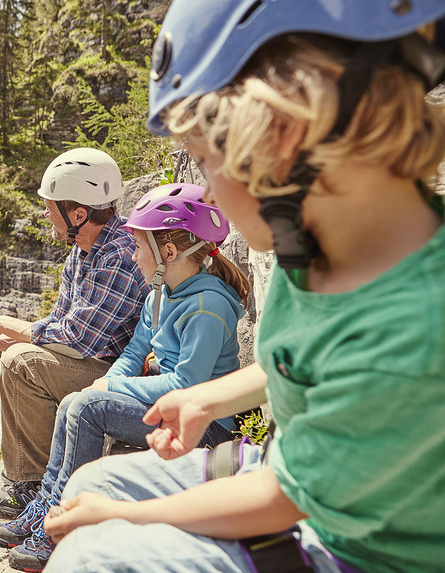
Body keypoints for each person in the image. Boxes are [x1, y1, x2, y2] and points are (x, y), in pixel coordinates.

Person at [42, 1, 445, 572]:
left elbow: (284, 498)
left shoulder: (413, 318)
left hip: (356, 547)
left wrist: (126, 519)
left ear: (281, 138)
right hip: (300, 483)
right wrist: (208, 397)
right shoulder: (317, 248)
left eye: (206, 164)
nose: (207, 195)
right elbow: (304, 359)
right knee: (93, 480)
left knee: (96, 553)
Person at [0, 183, 251, 572]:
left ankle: (59, 527)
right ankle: (48, 504)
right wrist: (106, 381)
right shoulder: (158, 295)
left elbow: (187, 386)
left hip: (204, 426)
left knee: (87, 408)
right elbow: (133, 352)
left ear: (169, 253)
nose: (133, 256)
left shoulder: (207, 307)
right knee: (77, 401)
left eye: (139, 248)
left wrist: (111, 388)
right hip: (166, 408)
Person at [0, 147, 149, 516]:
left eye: (52, 206)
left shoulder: (119, 254)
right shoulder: (82, 251)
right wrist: (2, 339)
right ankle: (30, 478)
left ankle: (33, 486)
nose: (46, 212)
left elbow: (79, 338)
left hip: (118, 376)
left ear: (79, 213)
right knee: (16, 355)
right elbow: (60, 324)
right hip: (96, 362)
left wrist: (5, 326)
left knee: (22, 363)